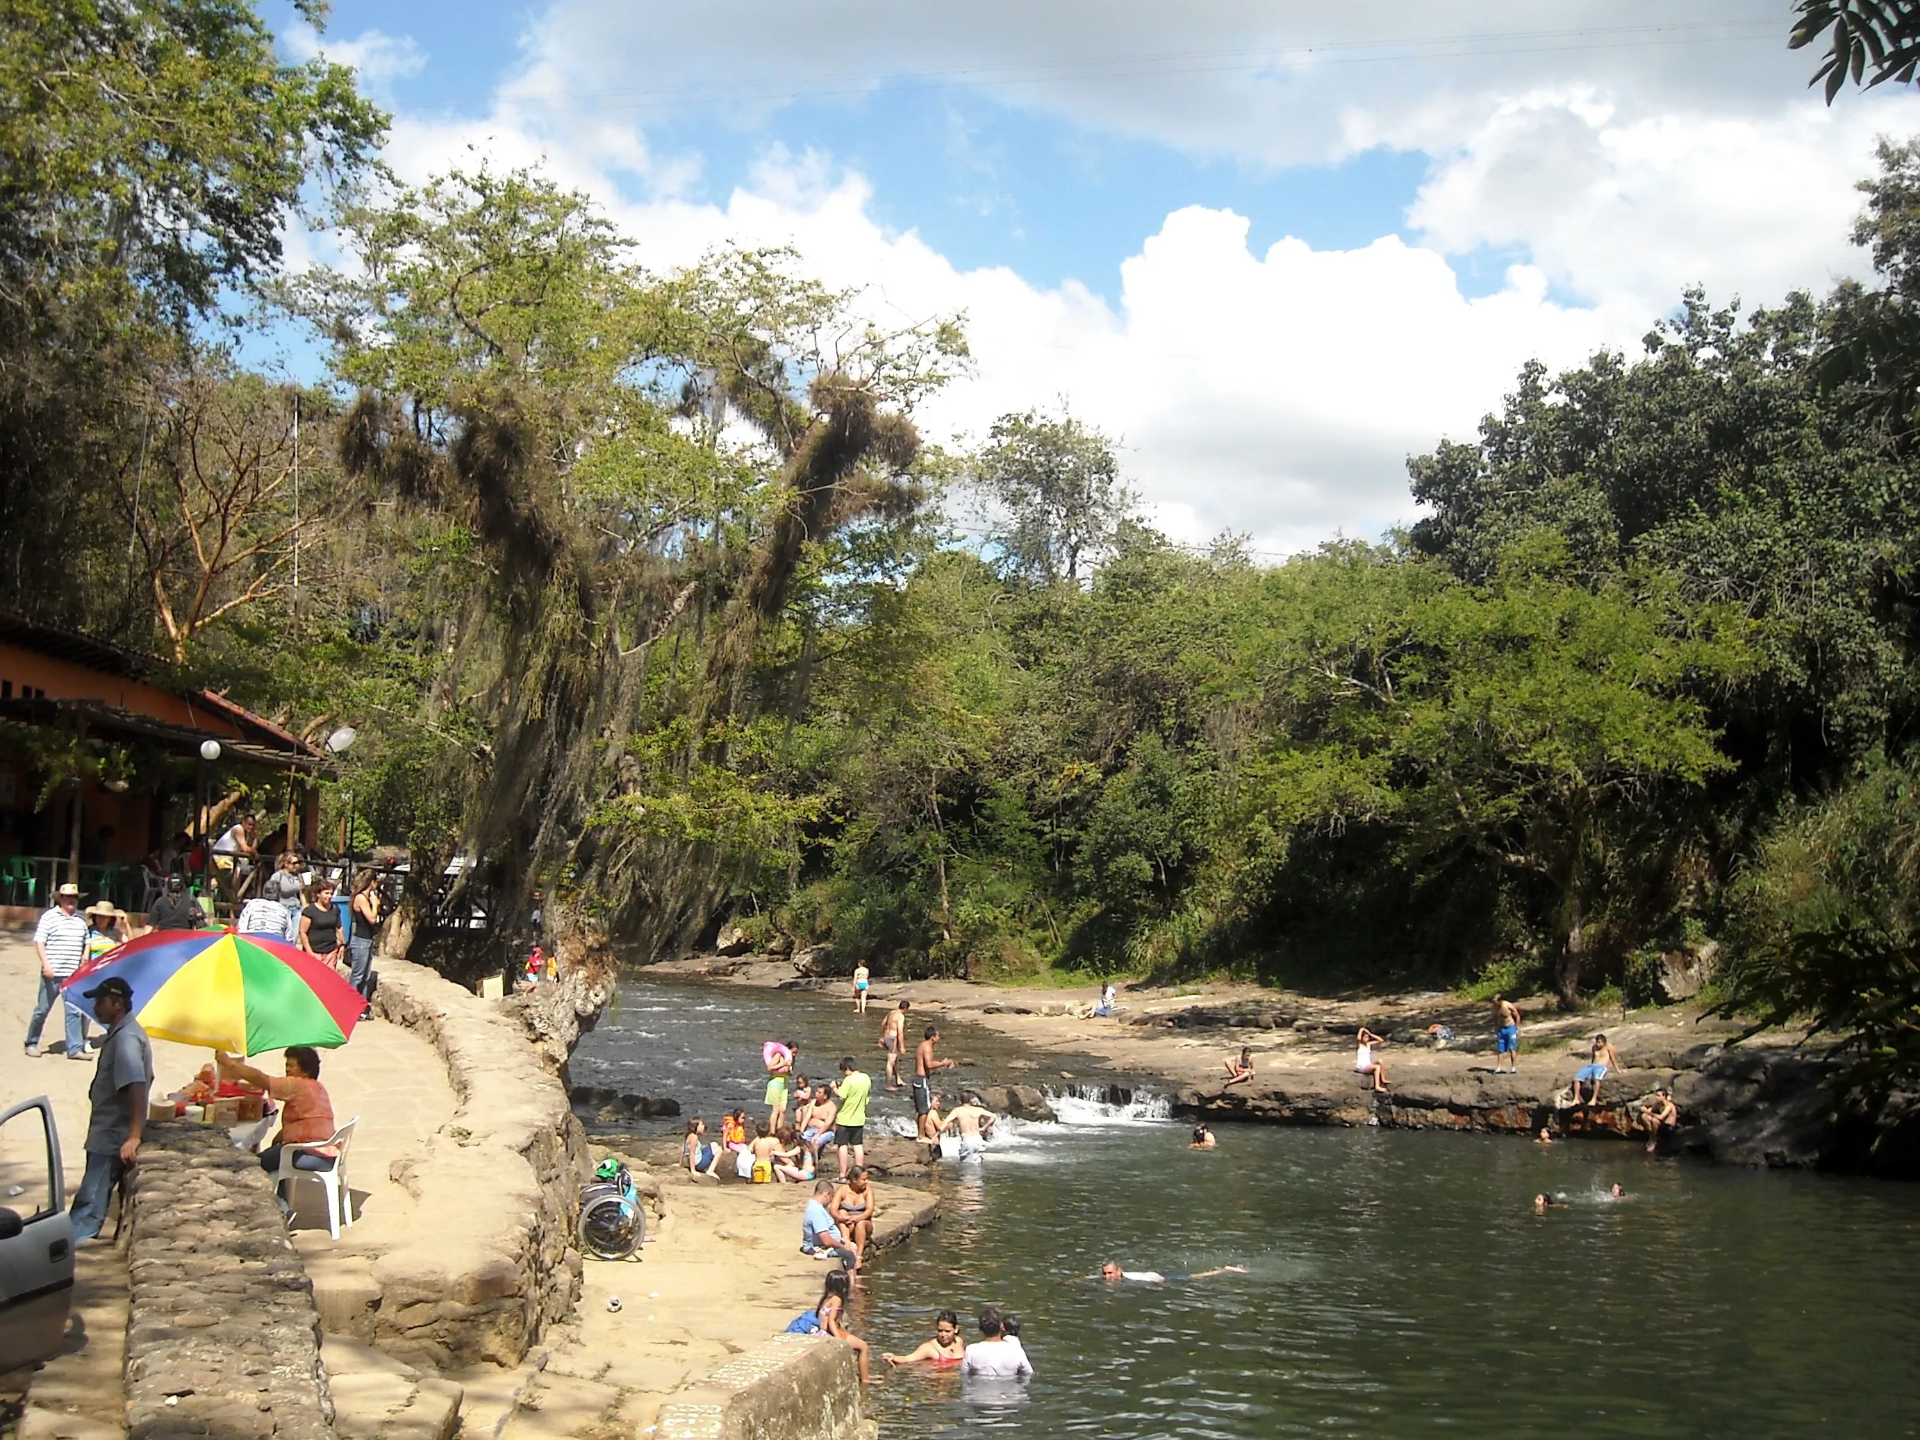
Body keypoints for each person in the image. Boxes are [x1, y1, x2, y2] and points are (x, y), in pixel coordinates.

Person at [68, 975, 151, 1242]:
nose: (95, 1008)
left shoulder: (126, 1039)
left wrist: (134, 1136)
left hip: (112, 1135)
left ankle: (65, 1256)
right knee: (88, 1200)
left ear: (116, 1004)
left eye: (100, 1002)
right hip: (106, 1130)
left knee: (89, 1205)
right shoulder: (121, 1034)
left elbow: (136, 1087)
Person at [216, 1046, 339, 1213]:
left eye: (291, 1066)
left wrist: (229, 1063)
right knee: (276, 1154)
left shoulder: (297, 1085)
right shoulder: (317, 1087)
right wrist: (281, 1135)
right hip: (325, 1151)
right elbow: (306, 1118)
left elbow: (261, 1079)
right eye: (287, 1065)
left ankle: (273, 1211)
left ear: (305, 1071)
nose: (287, 1069)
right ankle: (283, 1206)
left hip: (311, 1154)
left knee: (250, 1165)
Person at [27, 882, 90, 1060]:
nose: (71, 900)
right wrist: (46, 964)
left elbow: (87, 940)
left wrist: (85, 956)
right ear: (60, 899)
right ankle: (31, 1042)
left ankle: (74, 1048)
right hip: (53, 972)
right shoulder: (49, 917)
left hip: (73, 974)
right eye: (67, 897)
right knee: (42, 1009)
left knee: (73, 1012)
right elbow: (39, 941)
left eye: (74, 897)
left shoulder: (80, 919)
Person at [816, 1270, 873, 1384]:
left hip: (823, 1331)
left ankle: (865, 1373)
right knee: (864, 1347)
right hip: (830, 1332)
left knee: (857, 1343)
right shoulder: (837, 1300)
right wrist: (839, 1339)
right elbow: (831, 1321)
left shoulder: (827, 1297)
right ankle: (865, 1379)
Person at [801, 1178, 859, 1271]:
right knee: (849, 1255)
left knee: (853, 1246)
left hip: (824, 1244)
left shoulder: (817, 1207)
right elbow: (826, 1240)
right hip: (817, 1247)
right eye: (831, 1197)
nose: (831, 1201)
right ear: (826, 1194)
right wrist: (843, 1247)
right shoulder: (816, 1211)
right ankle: (850, 1283)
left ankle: (854, 1277)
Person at [960, 1307, 1032, 1378]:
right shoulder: (1016, 1350)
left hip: (980, 1389)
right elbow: (1028, 1374)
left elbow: (964, 1376)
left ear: (980, 1328)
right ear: (1002, 1327)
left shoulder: (971, 1350)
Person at [912, 1026, 956, 1144]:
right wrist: (943, 1063)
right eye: (937, 1036)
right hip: (922, 1080)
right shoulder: (927, 1047)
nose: (939, 1038)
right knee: (924, 1109)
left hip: (919, 1079)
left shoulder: (923, 1045)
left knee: (921, 1108)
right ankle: (921, 1136)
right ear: (932, 1037)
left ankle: (920, 1133)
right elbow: (929, 1065)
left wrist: (942, 1063)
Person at [348, 870, 382, 1011]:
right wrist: (375, 905)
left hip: (367, 940)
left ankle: (361, 1006)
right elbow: (372, 919)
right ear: (372, 882)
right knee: (358, 975)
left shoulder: (366, 897)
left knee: (366, 975)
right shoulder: (361, 898)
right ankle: (350, 1005)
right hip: (360, 941)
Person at [833, 1056, 872, 1178]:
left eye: (844, 1071)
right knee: (857, 1145)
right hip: (859, 1118)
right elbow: (866, 1098)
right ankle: (860, 1173)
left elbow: (841, 1096)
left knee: (842, 1145)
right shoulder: (866, 1078)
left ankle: (842, 1175)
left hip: (845, 1118)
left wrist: (834, 1087)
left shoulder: (849, 1080)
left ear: (848, 1068)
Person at [883, 1309, 966, 1365]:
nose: (943, 1335)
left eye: (947, 1331)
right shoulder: (928, 1348)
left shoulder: (959, 1341)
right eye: (940, 1331)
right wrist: (894, 1357)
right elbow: (908, 1358)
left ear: (955, 1329)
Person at [830, 1167, 879, 1259]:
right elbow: (833, 1209)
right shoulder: (842, 1190)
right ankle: (846, 1242)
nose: (866, 1181)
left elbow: (869, 1210)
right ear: (854, 1180)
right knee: (842, 1212)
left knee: (861, 1224)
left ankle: (859, 1256)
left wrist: (857, 1218)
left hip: (863, 1223)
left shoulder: (868, 1191)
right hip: (846, 1225)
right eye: (863, 1179)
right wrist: (841, 1218)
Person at [299, 879, 344, 971]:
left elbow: (339, 927)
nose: (329, 896)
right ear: (318, 894)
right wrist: (309, 952)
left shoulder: (335, 909)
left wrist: (342, 944)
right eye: (326, 893)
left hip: (331, 952)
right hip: (314, 952)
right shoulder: (310, 911)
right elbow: (303, 932)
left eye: (331, 894)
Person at [211, 813, 259, 897]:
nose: (251, 827)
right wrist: (254, 853)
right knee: (237, 871)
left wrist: (256, 838)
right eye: (249, 824)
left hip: (229, 860)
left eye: (253, 825)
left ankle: (233, 896)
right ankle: (234, 897)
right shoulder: (238, 829)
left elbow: (250, 850)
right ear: (243, 822)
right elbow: (245, 848)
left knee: (241, 871)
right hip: (219, 858)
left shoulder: (246, 834)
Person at [1571, 1033, 1621, 1106]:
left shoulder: (1609, 1047)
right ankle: (1576, 1099)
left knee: (1596, 1079)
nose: (1598, 1044)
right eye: (1597, 1042)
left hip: (1601, 1067)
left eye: (1599, 1042)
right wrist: (1590, 1069)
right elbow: (1593, 1058)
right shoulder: (1594, 1047)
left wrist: (1618, 1069)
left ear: (1604, 1042)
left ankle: (1594, 1099)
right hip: (1592, 1066)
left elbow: (1613, 1059)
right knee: (1577, 1078)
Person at [261, 851, 306, 932]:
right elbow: (270, 893)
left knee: (294, 935)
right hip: (283, 908)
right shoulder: (278, 876)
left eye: (298, 863)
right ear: (286, 864)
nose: (297, 865)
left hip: (296, 909)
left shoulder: (298, 876)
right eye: (294, 863)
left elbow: (301, 893)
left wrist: (305, 906)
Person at [942, 1094, 996, 1159]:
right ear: (970, 1100)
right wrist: (983, 1128)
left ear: (960, 1101)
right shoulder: (978, 1109)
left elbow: (946, 1121)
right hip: (977, 1139)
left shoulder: (957, 1110)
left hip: (966, 1139)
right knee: (978, 1163)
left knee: (966, 1165)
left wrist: (937, 1133)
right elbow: (993, 1116)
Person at [1097, 1261, 1246, 1283]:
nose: (1107, 1277)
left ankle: (1225, 1270)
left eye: (1110, 1273)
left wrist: (1164, 1284)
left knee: (1197, 1277)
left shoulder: (1131, 1278)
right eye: (1105, 1274)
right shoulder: (1121, 1278)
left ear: (1119, 1270)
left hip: (1163, 1278)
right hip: (1159, 1275)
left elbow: (1151, 1278)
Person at [799, 1085, 838, 1163]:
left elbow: (827, 1124)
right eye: (816, 1091)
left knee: (815, 1143)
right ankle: (801, 1162)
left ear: (825, 1096)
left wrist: (817, 1135)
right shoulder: (813, 1102)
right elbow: (807, 1117)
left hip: (826, 1131)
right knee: (801, 1141)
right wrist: (801, 1130)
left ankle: (813, 1166)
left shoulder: (832, 1107)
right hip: (811, 1129)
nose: (816, 1093)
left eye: (819, 1092)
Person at [764, 1038, 796, 1131]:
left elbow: (789, 1074)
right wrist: (782, 1064)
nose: (794, 1055)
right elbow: (770, 1068)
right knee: (776, 1110)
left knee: (783, 1110)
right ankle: (772, 1131)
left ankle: (780, 1130)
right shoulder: (778, 1055)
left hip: (784, 1085)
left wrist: (789, 1071)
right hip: (775, 1083)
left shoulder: (791, 1060)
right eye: (793, 1052)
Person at [879, 999, 910, 1089]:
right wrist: (903, 1046)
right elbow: (900, 1032)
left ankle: (898, 1079)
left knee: (895, 1058)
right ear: (905, 1009)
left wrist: (881, 1037)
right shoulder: (900, 1016)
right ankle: (888, 1085)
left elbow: (883, 1024)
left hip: (886, 1036)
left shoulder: (891, 1012)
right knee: (891, 1061)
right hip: (893, 1038)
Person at [1641, 1087, 1679, 1153]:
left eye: (1658, 1096)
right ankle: (1651, 1137)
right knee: (1644, 1116)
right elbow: (1649, 1111)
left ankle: (1654, 1140)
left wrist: (1647, 1112)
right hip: (1661, 1125)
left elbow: (1661, 1117)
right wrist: (1644, 1109)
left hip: (1669, 1127)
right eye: (1656, 1095)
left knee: (1654, 1120)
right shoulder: (1658, 1104)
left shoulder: (1669, 1105)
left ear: (1664, 1096)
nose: (1657, 1097)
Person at [1493, 994, 1522, 1074]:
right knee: (1500, 1049)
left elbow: (1517, 1016)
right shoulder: (1494, 1008)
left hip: (1510, 1028)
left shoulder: (1508, 1005)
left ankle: (1513, 1068)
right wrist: (1496, 1027)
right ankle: (1499, 1067)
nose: (1494, 1003)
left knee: (1512, 1048)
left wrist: (1516, 1028)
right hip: (1501, 1029)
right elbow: (1494, 1017)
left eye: (1495, 1001)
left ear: (1500, 1001)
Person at [1355, 1026, 1389, 1092]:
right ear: (1362, 1038)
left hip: (1368, 1064)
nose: (1366, 1039)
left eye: (1367, 1037)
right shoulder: (1359, 1045)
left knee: (1380, 1061)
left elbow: (1380, 1040)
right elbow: (1358, 1038)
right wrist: (1361, 1029)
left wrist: (1370, 1034)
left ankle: (1383, 1079)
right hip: (1362, 1066)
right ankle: (1377, 1086)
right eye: (1365, 1037)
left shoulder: (1368, 1044)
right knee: (1377, 1067)